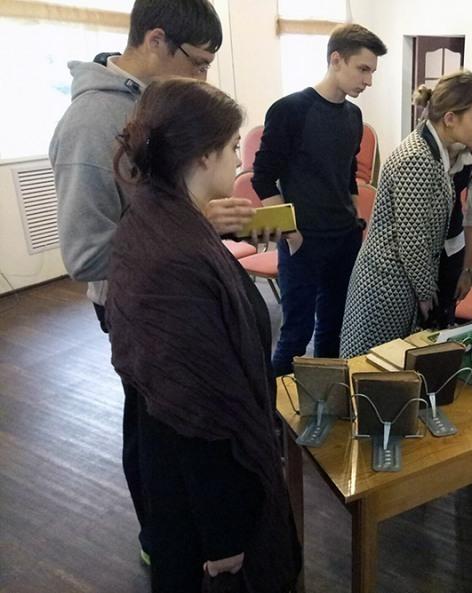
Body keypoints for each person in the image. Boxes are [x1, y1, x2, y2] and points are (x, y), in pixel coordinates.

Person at [48, 0, 256, 564]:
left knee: (173, 423)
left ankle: (181, 535)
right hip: (137, 303)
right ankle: (164, 541)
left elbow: (164, 207)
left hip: (175, 289)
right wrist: (191, 226)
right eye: (198, 63)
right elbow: (85, 253)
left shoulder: (157, 107)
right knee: (156, 425)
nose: (203, 78)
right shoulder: (92, 124)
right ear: (157, 39)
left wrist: (202, 221)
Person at [107, 78, 301, 593]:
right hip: (201, 496)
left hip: (180, 473)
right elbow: (198, 418)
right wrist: (224, 536)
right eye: (234, 147)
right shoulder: (175, 261)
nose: (239, 161)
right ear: (202, 155)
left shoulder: (156, 214)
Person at [251, 24, 387, 376]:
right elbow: (261, 176)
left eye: (372, 71)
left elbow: (347, 172)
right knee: (296, 334)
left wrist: (354, 216)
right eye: (363, 69)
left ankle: (326, 400)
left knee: (335, 328)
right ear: (336, 59)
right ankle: (276, 408)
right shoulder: (290, 110)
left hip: (344, 238)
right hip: (304, 241)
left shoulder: (354, 116)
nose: (368, 81)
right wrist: (288, 230)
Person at [340, 70, 472, 357]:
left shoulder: (432, 150)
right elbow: (412, 240)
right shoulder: (418, 157)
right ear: (450, 118)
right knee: (372, 365)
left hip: (398, 278)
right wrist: (425, 293)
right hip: (388, 282)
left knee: (387, 364)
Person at [425, 87, 472, 330]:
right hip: (421, 252)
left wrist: (467, 269)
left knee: (443, 320)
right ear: (450, 119)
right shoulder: (422, 154)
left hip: (452, 250)